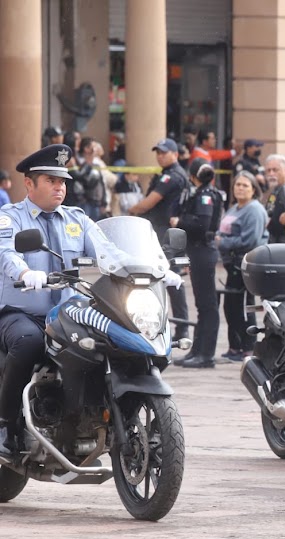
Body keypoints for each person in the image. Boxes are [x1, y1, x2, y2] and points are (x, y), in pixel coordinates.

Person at [0, 145, 180, 456]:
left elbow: (111, 253)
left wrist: (156, 271)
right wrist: (26, 271)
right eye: (51, 181)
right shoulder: (9, 217)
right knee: (28, 343)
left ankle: (91, 412)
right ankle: (7, 424)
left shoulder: (78, 219)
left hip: (67, 312)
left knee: (104, 341)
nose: (60, 187)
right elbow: (6, 254)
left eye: (63, 181)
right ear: (29, 184)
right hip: (23, 312)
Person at [128, 138, 191, 340]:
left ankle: (181, 329)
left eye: (164, 152)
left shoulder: (172, 176)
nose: (160, 156)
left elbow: (149, 203)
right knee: (161, 281)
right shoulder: (166, 174)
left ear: (175, 154)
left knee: (171, 281)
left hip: (166, 234)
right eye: (158, 152)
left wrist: (132, 210)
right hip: (159, 232)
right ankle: (165, 326)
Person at [173, 158, 223, 368]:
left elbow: (202, 224)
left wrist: (180, 222)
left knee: (208, 305)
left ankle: (206, 354)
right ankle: (198, 350)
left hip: (203, 250)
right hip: (197, 251)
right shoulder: (197, 193)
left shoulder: (206, 196)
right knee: (202, 305)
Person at [216, 171, 268, 362]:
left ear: (253, 189)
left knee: (244, 306)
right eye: (238, 184)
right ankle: (235, 346)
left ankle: (248, 347)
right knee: (231, 307)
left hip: (245, 263)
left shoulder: (254, 209)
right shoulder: (234, 208)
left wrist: (222, 242)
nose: (240, 188)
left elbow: (250, 240)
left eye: (245, 185)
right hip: (231, 265)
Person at [70, 137, 107, 221]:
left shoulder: (96, 165)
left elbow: (101, 184)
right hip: (85, 203)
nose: (96, 150)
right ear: (86, 149)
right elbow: (84, 181)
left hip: (96, 204)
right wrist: (88, 166)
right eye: (93, 147)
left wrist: (103, 202)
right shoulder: (79, 163)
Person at [263, 154, 285, 244]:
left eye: (275, 170)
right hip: (271, 238)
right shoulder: (274, 190)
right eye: (268, 170)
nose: (271, 174)